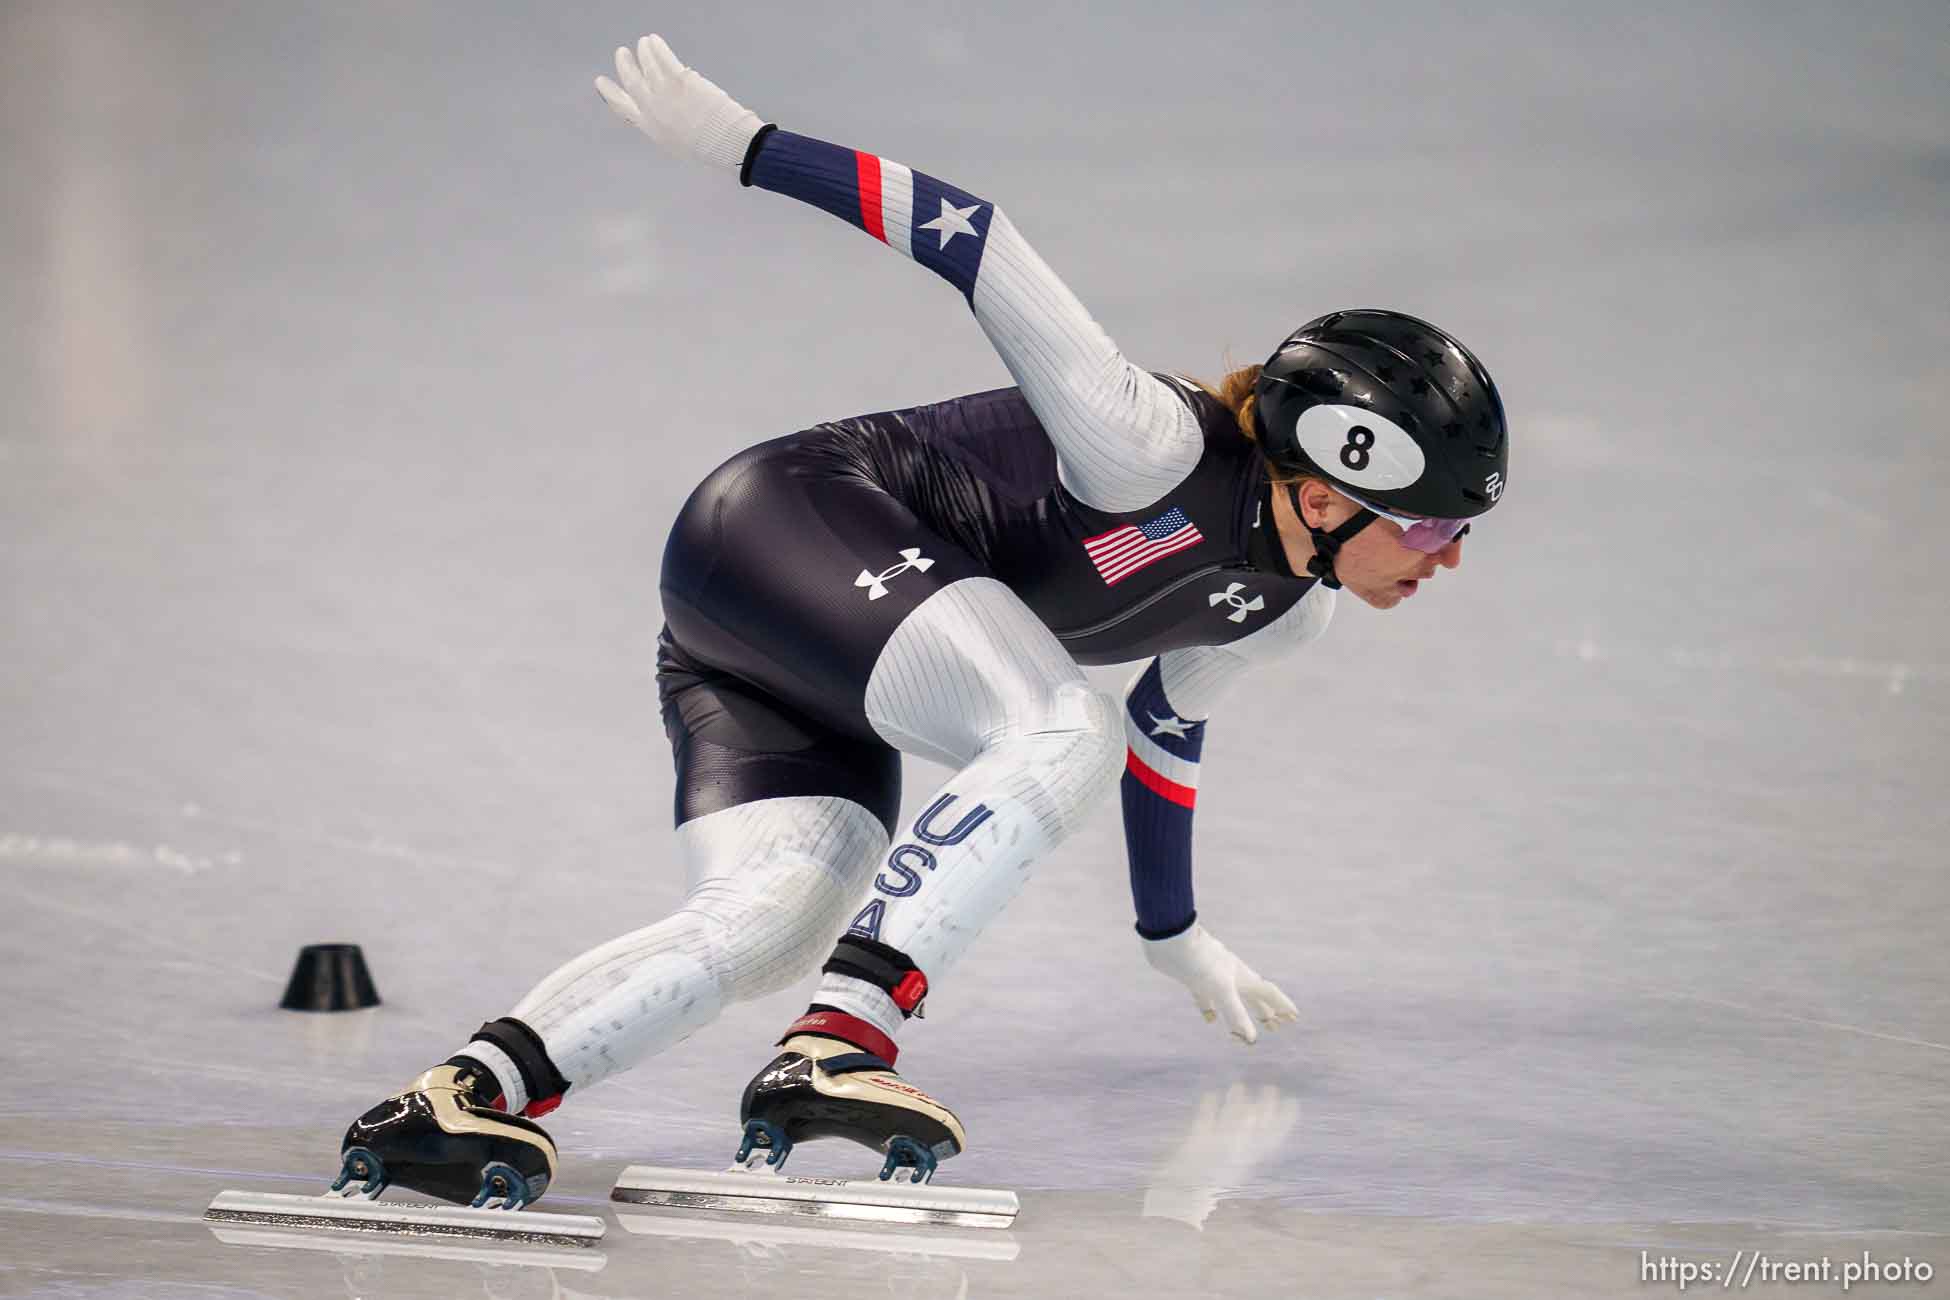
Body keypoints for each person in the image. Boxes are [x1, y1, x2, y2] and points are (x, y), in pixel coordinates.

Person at [333, 34, 1509, 1210]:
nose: (1446, 558)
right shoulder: (1149, 442)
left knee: (769, 925)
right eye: (1423, 527)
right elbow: (976, 239)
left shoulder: (1285, 615)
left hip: (786, 650)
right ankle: (841, 1042)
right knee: (1056, 725)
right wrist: (748, 148)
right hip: (782, 521)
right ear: (1322, 486)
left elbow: (1167, 738)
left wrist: (1173, 932)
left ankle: (467, 1093)